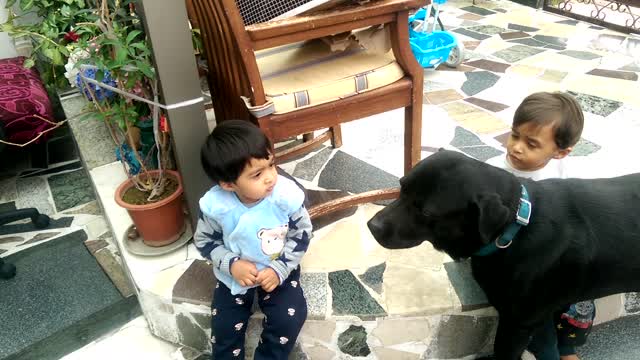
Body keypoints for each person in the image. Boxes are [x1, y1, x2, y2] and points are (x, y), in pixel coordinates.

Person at [487, 91, 594, 360]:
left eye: (531, 144)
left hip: (550, 254)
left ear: (560, 153)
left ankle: (566, 348)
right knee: (537, 313)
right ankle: (550, 354)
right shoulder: (493, 173)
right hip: (518, 263)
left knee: (571, 299)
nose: (516, 147)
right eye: (514, 135)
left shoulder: (562, 173)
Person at [195, 120, 311, 360]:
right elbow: (205, 242)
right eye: (257, 174)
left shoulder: (284, 197)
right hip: (234, 276)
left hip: (278, 267)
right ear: (228, 184)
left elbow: (302, 235)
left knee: (290, 317)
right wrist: (231, 264)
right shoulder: (217, 207)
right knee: (224, 327)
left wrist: (279, 268)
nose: (270, 178)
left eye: (271, 164)